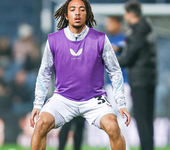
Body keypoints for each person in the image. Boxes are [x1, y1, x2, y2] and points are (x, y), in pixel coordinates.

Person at [30, 0, 131, 150]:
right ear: (66, 14)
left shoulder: (101, 39)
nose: (77, 13)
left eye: (82, 9)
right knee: (40, 125)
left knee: (113, 127)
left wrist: (121, 103)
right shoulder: (53, 40)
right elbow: (44, 73)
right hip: (63, 98)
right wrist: (37, 104)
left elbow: (115, 71)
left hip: (93, 99)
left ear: (87, 14)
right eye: (73, 9)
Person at [117, 1, 157, 150]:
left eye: (125, 13)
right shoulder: (148, 28)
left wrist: (108, 59)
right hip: (150, 78)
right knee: (148, 119)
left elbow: (128, 59)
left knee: (141, 120)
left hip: (139, 80)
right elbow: (140, 51)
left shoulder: (136, 32)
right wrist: (120, 49)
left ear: (131, 14)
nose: (124, 16)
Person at [104, 16, 132, 150]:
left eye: (110, 22)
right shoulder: (106, 40)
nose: (107, 25)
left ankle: (126, 146)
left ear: (117, 23)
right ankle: (115, 146)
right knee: (112, 116)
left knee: (123, 115)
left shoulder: (125, 40)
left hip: (124, 84)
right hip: (109, 84)